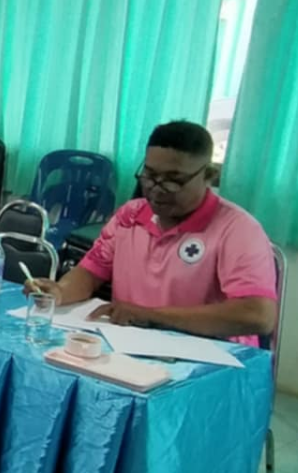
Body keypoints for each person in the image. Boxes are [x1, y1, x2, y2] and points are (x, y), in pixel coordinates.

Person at [26, 121, 279, 343]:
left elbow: (258, 315)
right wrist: (60, 292)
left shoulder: (237, 229)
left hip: (208, 360)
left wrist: (149, 316)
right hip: (130, 346)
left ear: (209, 176)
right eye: (149, 175)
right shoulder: (130, 216)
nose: (156, 189)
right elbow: (91, 272)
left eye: (173, 180)